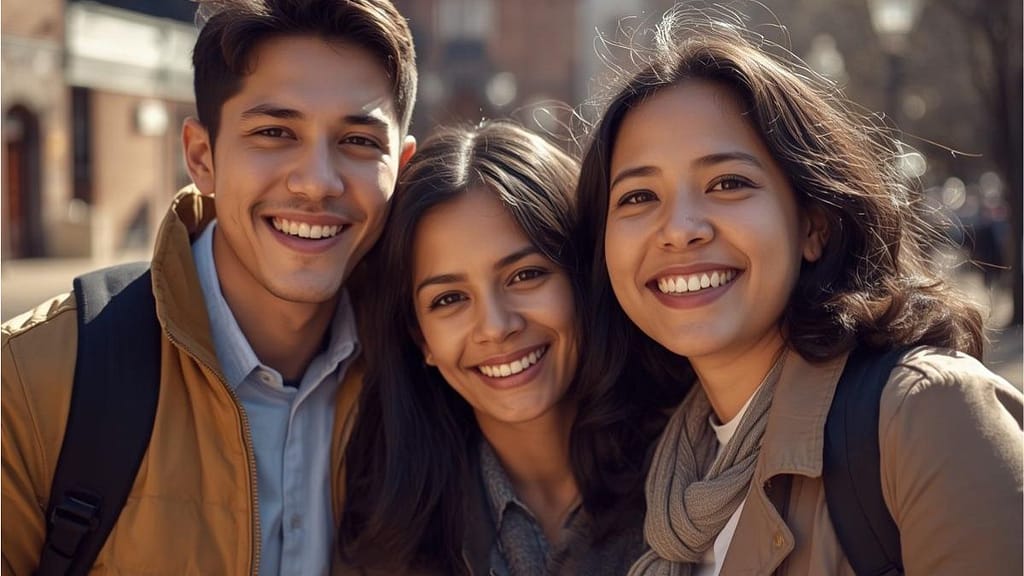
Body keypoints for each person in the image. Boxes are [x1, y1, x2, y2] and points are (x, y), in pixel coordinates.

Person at [573, 5, 1024, 576]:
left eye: (728, 183)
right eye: (638, 197)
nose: (681, 228)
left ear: (813, 224)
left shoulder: (924, 415)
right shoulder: (654, 477)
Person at [1, 0, 417, 573]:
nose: (317, 183)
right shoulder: (27, 381)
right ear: (202, 157)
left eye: (359, 142)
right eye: (274, 132)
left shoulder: (430, 373)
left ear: (403, 165)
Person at [338, 121, 676, 575]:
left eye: (525, 275)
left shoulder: (695, 468)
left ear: (581, 278)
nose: (496, 327)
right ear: (423, 340)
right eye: (449, 299)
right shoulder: (388, 536)